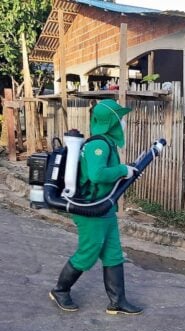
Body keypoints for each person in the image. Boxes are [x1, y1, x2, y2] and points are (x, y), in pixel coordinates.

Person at [49, 99, 142, 315]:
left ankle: (117, 301)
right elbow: (96, 175)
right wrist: (122, 170)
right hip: (90, 208)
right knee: (88, 253)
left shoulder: (107, 143)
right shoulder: (98, 145)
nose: (123, 122)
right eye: (120, 118)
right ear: (111, 121)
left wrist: (124, 170)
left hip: (104, 208)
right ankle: (60, 290)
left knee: (113, 253)